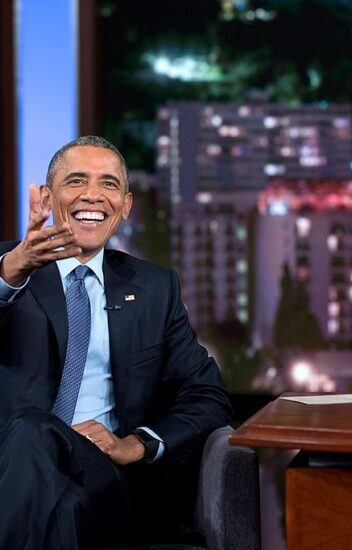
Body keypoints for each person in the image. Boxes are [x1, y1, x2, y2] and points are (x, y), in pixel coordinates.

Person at [0, 136, 232, 548]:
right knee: (56, 487)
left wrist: (137, 443)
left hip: (106, 478)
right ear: (47, 198)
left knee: (40, 440)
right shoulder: (10, 267)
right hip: (12, 473)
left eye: (108, 184)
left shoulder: (155, 288)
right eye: (77, 181)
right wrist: (11, 273)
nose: (93, 194)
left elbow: (208, 395)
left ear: (124, 206)